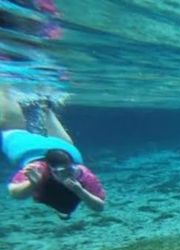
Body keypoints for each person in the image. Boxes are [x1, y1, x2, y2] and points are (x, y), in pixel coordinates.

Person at [1, 89, 105, 218]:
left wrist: (32, 184)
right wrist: (80, 191)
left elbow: (14, 192)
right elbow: (99, 206)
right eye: (64, 170)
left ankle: (42, 105)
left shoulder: (39, 170)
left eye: (68, 170)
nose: (66, 175)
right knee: (11, 128)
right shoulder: (80, 173)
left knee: (11, 126)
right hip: (51, 148)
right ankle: (45, 106)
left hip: (55, 147)